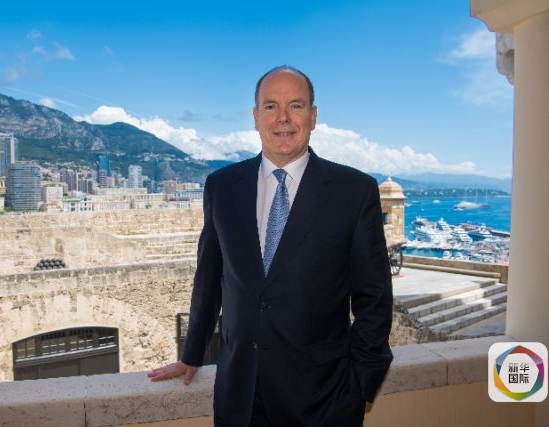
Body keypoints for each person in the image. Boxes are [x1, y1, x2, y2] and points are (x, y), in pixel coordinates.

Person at [149, 66, 393, 427]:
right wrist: (193, 354)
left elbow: (374, 297)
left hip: (325, 400)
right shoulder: (222, 186)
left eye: (295, 105)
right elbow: (210, 278)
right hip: (239, 397)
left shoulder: (354, 191)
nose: (282, 118)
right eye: (270, 106)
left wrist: (360, 384)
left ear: (313, 116)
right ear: (255, 116)